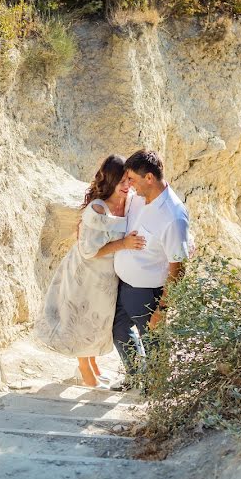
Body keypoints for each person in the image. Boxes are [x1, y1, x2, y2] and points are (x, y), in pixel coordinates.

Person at [34, 155, 146, 387]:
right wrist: (123, 245)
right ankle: (85, 370)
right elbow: (87, 250)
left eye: (129, 180)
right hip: (85, 272)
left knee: (98, 321)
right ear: (111, 180)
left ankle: (92, 365)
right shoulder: (98, 208)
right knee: (83, 319)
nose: (127, 186)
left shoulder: (130, 201)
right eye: (121, 181)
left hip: (107, 276)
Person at [111, 149, 191, 389]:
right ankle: (137, 378)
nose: (129, 185)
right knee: (118, 330)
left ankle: (156, 393)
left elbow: (179, 268)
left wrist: (162, 310)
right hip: (123, 285)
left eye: (132, 179)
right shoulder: (138, 197)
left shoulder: (173, 216)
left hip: (148, 293)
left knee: (154, 342)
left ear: (149, 178)